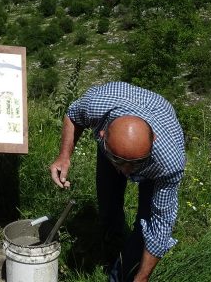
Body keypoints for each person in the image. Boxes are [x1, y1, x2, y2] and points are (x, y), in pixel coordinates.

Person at [49, 81, 185, 282]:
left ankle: (123, 275)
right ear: (102, 136)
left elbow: (160, 225)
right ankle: (111, 245)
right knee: (108, 199)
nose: (127, 171)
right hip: (117, 137)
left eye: (135, 163)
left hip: (154, 156)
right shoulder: (95, 106)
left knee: (145, 222)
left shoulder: (169, 162)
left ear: (153, 139)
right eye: (120, 162)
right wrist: (64, 157)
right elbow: (73, 115)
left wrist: (143, 276)